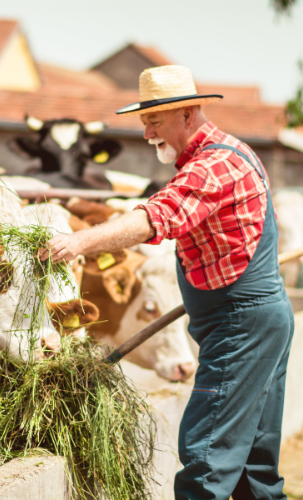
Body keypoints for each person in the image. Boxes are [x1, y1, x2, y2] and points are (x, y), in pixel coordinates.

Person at [39, 65, 294, 500]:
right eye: (144, 122)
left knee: (206, 454)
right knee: (254, 467)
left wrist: (78, 241)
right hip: (261, 321)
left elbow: (153, 219)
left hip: (239, 326)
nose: (146, 133)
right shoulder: (234, 152)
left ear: (188, 114)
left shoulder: (210, 167)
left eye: (154, 121)